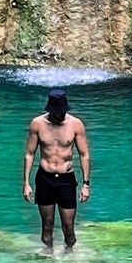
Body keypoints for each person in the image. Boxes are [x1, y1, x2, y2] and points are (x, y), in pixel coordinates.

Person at [22, 87, 91, 250]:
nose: (59, 115)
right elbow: (29, 154)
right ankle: (48, 256)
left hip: (66, 179)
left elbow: (84, 155)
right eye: (56, 112)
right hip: (45, 178)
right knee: (47, 225)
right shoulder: (38, 124)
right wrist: (26, 183)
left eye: (62, 112)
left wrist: (85, 184)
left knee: (68, 227)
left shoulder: (75, 125)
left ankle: (69, 253)